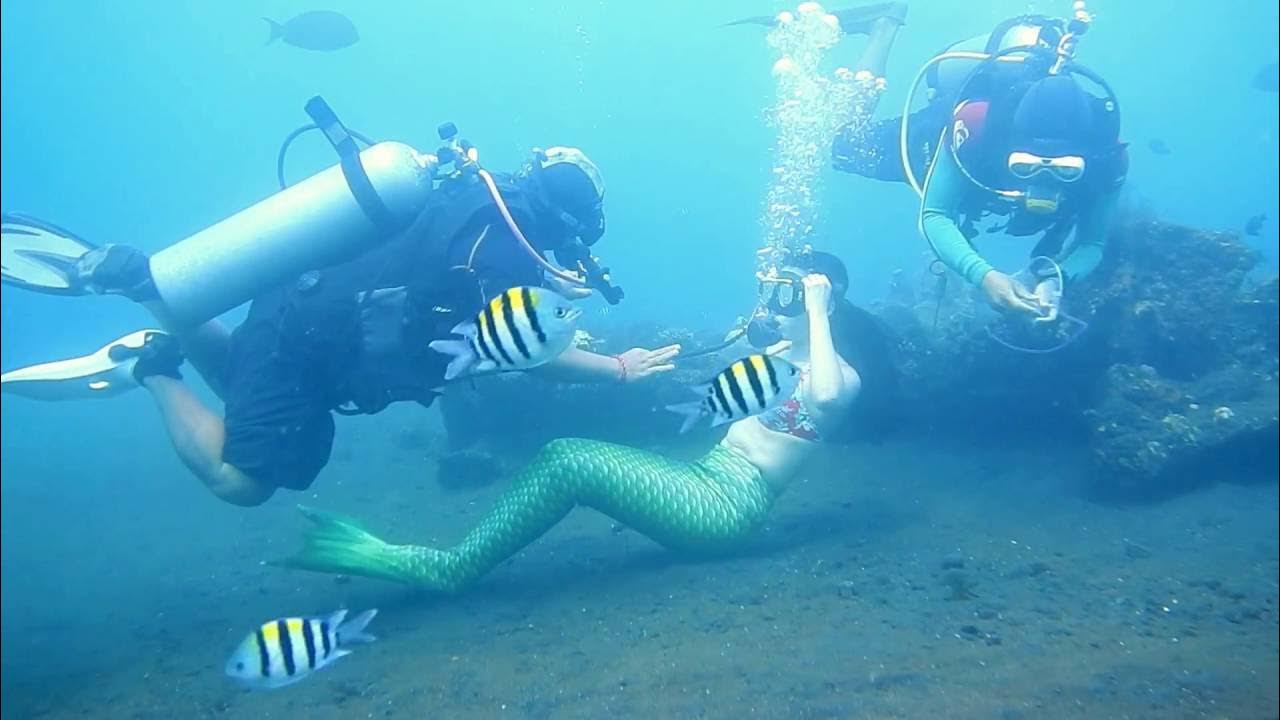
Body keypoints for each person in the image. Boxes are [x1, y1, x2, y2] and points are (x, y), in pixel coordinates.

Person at [1, 147, 681, 506]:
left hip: (295, 313)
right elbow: (519, 350)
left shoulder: (470, 196)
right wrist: (618, 370)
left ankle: (156, 296)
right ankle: (151, 364)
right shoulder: (500, 253)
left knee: (242, 375)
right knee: (246, 480)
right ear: (575, 224)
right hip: (309, 344)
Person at [276, 251, 863, 592]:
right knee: (582, 457)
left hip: (730, 509)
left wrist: (816, 307)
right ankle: (441, 562)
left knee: (568, 457)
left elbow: (830, 402)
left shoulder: (838, 372)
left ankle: (449, 569)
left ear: (823, 301)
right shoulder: (781, 357)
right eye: (776, 290)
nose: (775, 304)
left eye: (788, 294)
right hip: (705, 479)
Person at [826, 6, 1128, 317]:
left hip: (992, 163)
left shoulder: (1107, 157)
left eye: (1065, 171)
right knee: (845, 146)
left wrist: (1054, 278)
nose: (1039, 181)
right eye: (1024, 167)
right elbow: (934, 214)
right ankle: (884, 26)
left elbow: (1092, 242)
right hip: (946, 145)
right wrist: (984, 276)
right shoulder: (976, 126)